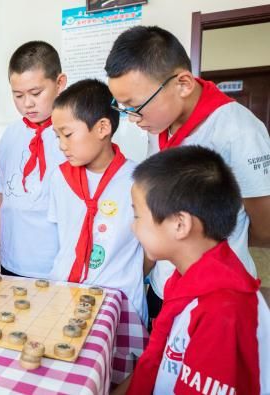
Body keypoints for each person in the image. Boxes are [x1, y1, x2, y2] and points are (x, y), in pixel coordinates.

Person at [105, 25, 270, 319]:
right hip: (165, 284)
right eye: (123, 107)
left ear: (182, 84)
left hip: (216, 292)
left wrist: (224, 243)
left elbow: (265, 225)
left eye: (136, 106)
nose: (131, 119)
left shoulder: (237, 129)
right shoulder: (157, 126)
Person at [114, 146, 270, 395]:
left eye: (137, 215)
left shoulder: (222, 312)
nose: (133, 227)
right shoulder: (188, 278)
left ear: (180, 224)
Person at [48, 79, 147, 323]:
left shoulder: (138, 180)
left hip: (118, 301)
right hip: (64, 294)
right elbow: (64, 237)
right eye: (57, 136)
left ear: (103, 128)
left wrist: (127, 274)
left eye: (68, 134)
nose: (61, 145)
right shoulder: (60, 178)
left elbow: (150, 249)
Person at [0, 41, 67, 277]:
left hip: (54, 263)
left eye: (36, 93)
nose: (27, 103)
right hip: (12, 260)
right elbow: (1, 194)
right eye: (18, 95)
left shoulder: (72, 134)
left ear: (59, 83)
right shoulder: (10, 135)